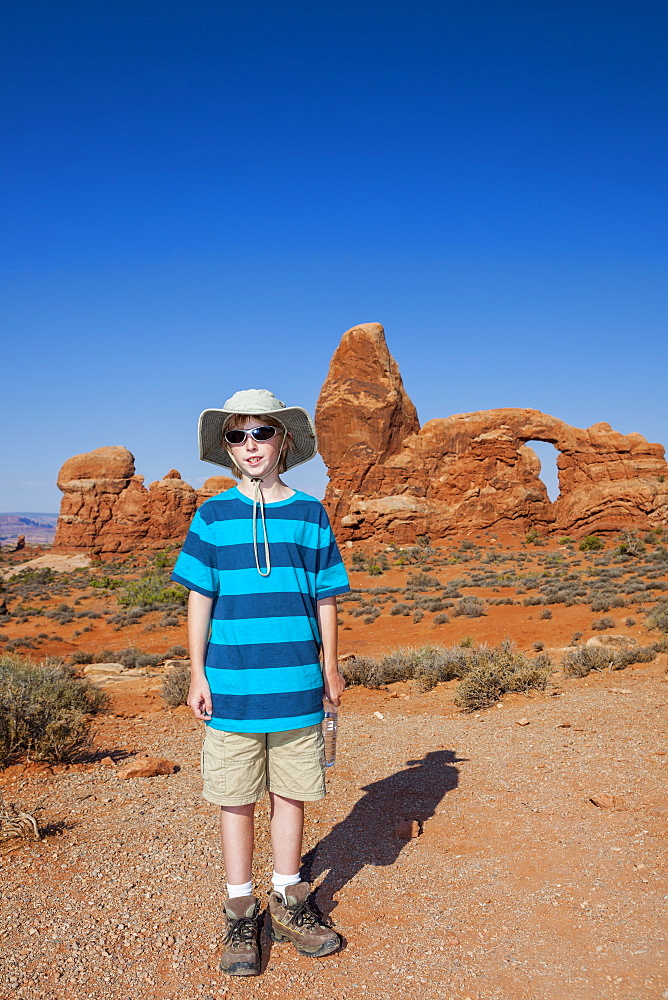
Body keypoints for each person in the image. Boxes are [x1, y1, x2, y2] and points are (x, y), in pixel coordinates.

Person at [171, 388, 349, 977]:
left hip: (297, 681)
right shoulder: (213, 515)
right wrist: (196, 671)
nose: (250, 446)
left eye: (261, 433)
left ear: (284, 441)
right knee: (235, 795)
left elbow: (326, 595)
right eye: (238, 436)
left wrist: (330, 664)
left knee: (290, 790)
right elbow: (201, 596)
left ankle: (289, 893)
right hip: (231, 683)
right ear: (226, 447)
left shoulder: (310, 512)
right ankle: (241, 905)